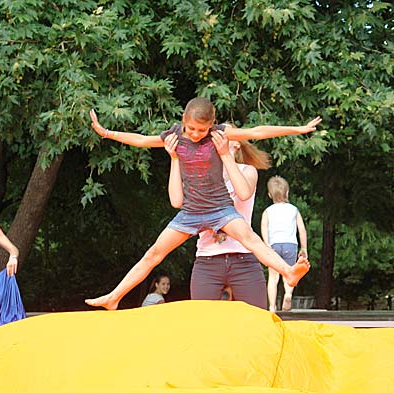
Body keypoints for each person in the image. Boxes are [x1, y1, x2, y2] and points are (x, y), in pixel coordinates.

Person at [85, 97, 318, 310]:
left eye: (202, 129)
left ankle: (288, 272)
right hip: (191, 211)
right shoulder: (175, 136)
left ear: (211, 124)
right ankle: (114, 297)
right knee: (154, 253)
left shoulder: (219, 134)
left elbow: (256, 132)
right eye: (191, 128)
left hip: (220, 208)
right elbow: (142, 140)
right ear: (183, 121)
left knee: (251, 239)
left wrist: (296, 129)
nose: (196, 134)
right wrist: (106, 132)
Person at [185, 126, 270, 309]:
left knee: (257, 318)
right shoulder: (202, 174)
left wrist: (226, 156)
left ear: (236, 143)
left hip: (243, 258)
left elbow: (244, 194)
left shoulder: (247, 170)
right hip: (207, 259)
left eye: (225, 135)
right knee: (201, 320)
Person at [261, 176, 308, 312]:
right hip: (290, 245)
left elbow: (264, 228)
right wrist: (304, 248)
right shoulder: (294, 210)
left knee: (273, 277)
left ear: (270, 195)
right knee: (289, 273)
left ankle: (272, 306)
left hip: (274, 246)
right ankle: (288, 294)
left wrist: (266, 245)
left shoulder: (268, 211)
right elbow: (302, 229)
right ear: (287, 192)